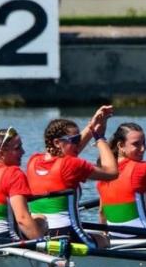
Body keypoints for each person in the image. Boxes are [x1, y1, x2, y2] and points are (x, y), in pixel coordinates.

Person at [26, 106, 118, 247]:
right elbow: (112, 172)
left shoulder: (33, 161)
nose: (77, 143)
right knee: (104, 239)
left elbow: (68, 155)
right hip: (69, 236)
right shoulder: (71, 164)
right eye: (74, 139)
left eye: (78, 139)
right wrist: (99, 137)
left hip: (40, 234)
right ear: (57, 142)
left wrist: (91, 127)